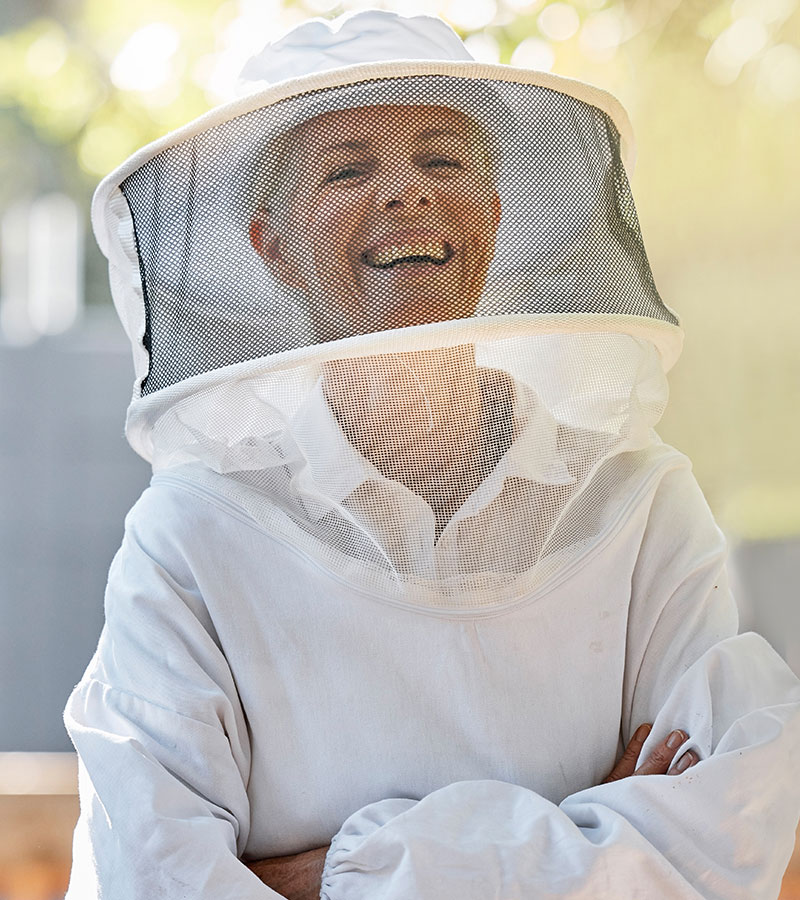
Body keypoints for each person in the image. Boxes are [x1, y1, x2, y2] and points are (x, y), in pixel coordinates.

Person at [65, 10, 800, 900]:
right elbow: (148, 878)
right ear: (273, 249)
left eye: (442, 161)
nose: (406, 193)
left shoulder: (640, 507)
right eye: (348, 169)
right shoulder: (189, 540)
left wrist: (324, 877)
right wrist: (584, 842)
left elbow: (728, 833)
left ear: (491, 215)